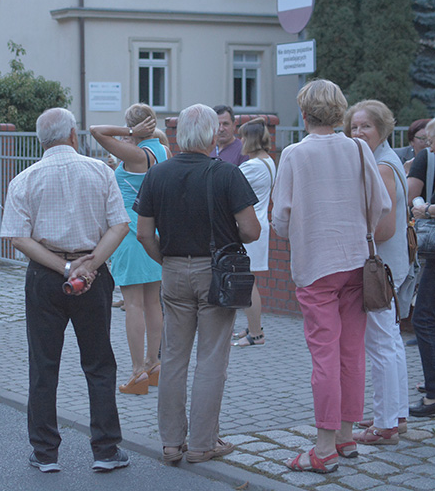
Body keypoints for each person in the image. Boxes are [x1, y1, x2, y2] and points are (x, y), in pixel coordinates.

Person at [0, 107, 131, 473]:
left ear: (42, 141)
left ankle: (45, 453)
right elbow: (120, 225)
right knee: (99, 362)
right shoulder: (101, 171)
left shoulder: (24, 179)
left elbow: (17, 238)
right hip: (94, 274)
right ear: (73, 135)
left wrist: (63, 267)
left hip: (46, 275)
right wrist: (89, 266)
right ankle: (106, 449)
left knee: (43, 364)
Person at [272, 80, 391, 473]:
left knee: (324, 355)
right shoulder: (358, 148)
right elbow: (381, 204)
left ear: (303, 113)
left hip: (316, 264)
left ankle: (323, 448)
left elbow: (281, 219)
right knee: (351, 353)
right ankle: (345, 435)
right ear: (340, 112)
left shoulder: (293, 154)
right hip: (357, 260)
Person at [135, 103, 260, 465]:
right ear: (209, 135)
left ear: (178, 135)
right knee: (211, 359)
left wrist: (168, 260)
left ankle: (172, 444)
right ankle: (203, 444)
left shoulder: (156, 175)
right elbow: (252, 230)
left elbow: (144, 234)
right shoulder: (226, 174)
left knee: (172, 357)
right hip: (217, 272)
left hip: (172, 270)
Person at [344, 100, 410, 443]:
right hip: (390, 266)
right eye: (354, 127)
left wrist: (354, 235)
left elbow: (382, 229)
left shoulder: (382, 166)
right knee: (391, 340)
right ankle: (395, 413)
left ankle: (385, 425)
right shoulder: (386, 159)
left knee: (381, 343)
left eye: (365, 126)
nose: (357, 132)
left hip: (379, 267)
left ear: (382, 129)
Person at [90, 103, 165, 395]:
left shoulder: (136, 152)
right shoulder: (162, 151)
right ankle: (153, 363)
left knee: (133, 304)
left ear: (136, 126)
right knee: (152, 303)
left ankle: (137, 372)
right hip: (154, 233)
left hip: (131, 233)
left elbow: (96, 131)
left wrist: (130, 132)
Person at [232, 118, 276, 347]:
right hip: (259, 224)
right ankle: (252, 327)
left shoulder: (252, 166)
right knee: (249, 280)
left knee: (247, 282)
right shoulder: (267, 161)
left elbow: (230, 190)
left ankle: (256, 334)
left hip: (249, 227)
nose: (239, 141)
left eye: (242, 136)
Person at [407, 118, 435, 418]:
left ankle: (432, 394)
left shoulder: (426, 159)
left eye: (431, 139)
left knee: (424, 316)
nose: (428, 145)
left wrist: (425, 209)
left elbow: (410, 194)